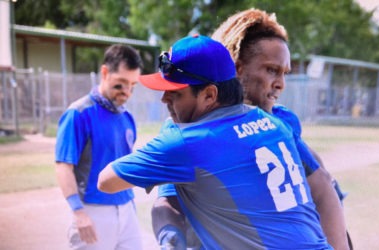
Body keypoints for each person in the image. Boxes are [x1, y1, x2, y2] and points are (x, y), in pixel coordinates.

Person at [97, 34, 333, 249]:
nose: (164, 99)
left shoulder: (190, 141)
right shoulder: (274, 123)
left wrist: (171, 137)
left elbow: (106, 181)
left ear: (210, 95)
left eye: (175, 93)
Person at [152, 8, 351, 250]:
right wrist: (171, 238)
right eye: (271, 70)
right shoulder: (185, 127)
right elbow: (168, 198)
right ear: (236, 68)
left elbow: (324, 189)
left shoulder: (278, 123)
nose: (280, 84)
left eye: (284, 73)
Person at [55, 44, 143, 250]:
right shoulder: (78, 113)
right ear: (105, 73)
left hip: (127, 209)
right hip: (93, 211)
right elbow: (63, 166)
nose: (127, 92)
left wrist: (129, 206)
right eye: (120, 84)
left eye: (133, 85)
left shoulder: (127, 117)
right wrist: (78, 212)